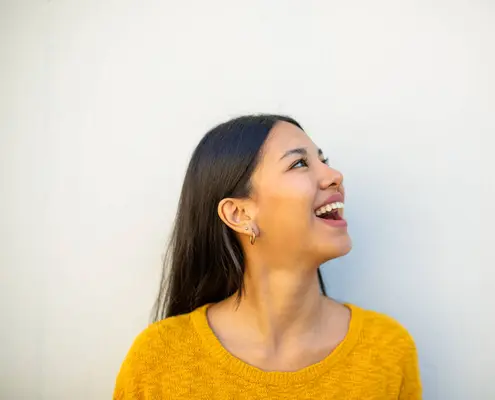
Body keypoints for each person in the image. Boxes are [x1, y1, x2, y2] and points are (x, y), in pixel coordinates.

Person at [113, 115, 422, 399]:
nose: (334, 175)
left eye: (323, 160)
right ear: (239, 213)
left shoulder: (388, 350)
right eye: (299, 164)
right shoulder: (158, 360)